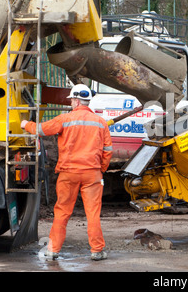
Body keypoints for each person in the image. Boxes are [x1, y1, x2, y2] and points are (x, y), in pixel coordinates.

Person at [21, 84, 113, 261]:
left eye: (71, 100)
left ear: (77, 101)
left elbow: (41, 130)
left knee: (62, 212)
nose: (70, 102)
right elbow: (108, 150)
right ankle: (97, 251)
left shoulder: (65, 119)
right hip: (92, 173)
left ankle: (53, 250)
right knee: (93, 213)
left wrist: (26, 124)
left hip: (68, 173)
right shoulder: (101, 123)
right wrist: (100, 169)